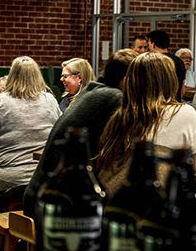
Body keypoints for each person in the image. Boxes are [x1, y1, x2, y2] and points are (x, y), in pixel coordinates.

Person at [23, 49, 137, 216]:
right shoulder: (114, 98)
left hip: (38, 195)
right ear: (127, 79)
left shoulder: (91, 91)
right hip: (53, 207)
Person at [95, 52, 196, 197]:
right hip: (152, 209)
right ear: (170, 80)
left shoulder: (119, 116)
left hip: (110, 202)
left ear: (130, 81)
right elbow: (191, 171)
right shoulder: (184, 113)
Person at [0, 56, 60, 210]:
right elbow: (59, 131)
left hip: (1, 179)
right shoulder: (50, 100)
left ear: (12, 75)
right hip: (40, 179)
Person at [147, 29, 186, 102]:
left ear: (153, 44)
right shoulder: (179, 61)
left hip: (158, 105)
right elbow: (183, 90)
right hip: (176, 104)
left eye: (148, 43)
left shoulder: (153, 62)